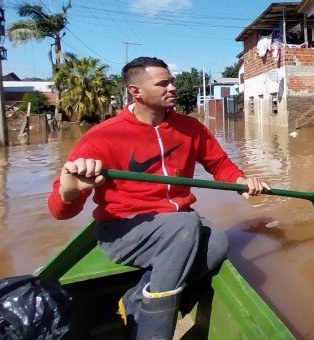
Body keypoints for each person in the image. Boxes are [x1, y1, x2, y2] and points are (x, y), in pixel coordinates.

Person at [47, 56, 269, 339]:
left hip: (178, 225)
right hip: (123, 230)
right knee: (187, 226)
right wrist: (70, 191)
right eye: (163, 83)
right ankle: (152, 334)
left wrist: (240, 181)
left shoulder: (189, 127)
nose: (173, 88)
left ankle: (136, 299)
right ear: (135, 91)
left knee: (217, 243)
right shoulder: (102, 136)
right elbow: (59, 210)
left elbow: (219, 164)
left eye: (172, 81)